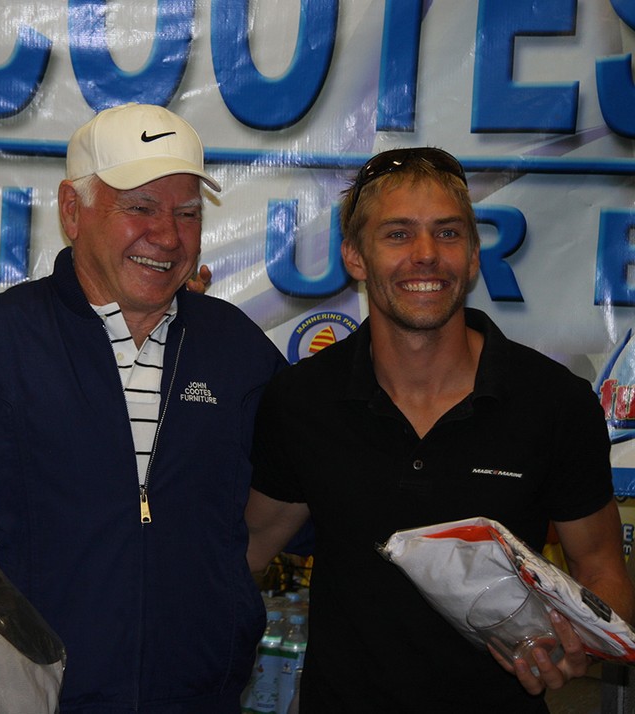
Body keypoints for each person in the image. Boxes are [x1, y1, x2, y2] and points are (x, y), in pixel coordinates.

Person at [245, 147, 635, 712]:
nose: (426, 256)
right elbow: (249, 551)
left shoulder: (553, 401)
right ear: (355, 255)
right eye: (398, 234)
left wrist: (583, 642)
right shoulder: (303, 400)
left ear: (474, 256)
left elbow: (602, 569)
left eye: (448, 234)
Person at [0, 102, 288, 712]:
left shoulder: (236, 349)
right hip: (25, 699)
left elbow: (312, 482)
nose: (167, 234)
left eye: (187, 213)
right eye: (139, 208)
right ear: (71, 211)